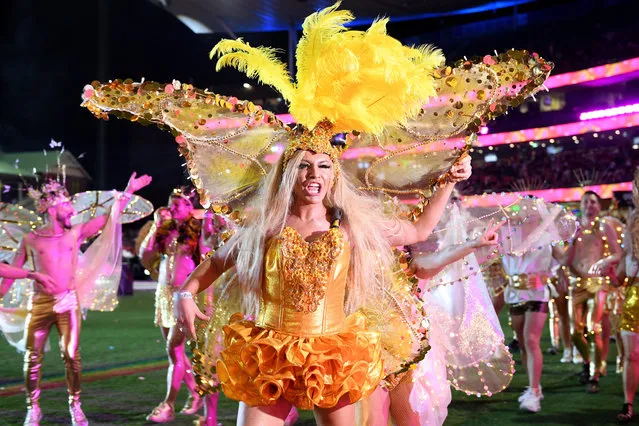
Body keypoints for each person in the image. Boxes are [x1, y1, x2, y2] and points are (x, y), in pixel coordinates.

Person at [80, 4, 552, 424]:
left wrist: (449, 181)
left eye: (324, 165)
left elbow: (420, 230)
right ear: (288, 174)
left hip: (334, 351)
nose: (314, 173)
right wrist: (185, 292)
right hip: (266, 349)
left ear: (333, 176)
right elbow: (218, 263)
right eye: (304, 165)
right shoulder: (266, 226)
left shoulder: (350, 224)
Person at [0, 172, 151, 426]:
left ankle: (75, 405)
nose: (72, 210)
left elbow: (109, 218)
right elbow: (5, 271)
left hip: (68, 301)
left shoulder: (75, 233)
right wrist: (30, 274)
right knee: (32, 357)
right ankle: (33, 408)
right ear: (52, 208)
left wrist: (128, 190)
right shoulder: (32, 240)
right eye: (67, 205)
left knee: (71, 355)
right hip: (40, 304)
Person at [138, 187, 218, 424]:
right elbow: (145, 254)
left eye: (178, 205)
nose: (172, 209)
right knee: (174, 353)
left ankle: (169, 404)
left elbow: (208, 262)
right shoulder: (166, 230)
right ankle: (194, 394)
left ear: (189, 207)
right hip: (164, 294)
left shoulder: (197, 229)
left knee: (178, 348)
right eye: (171, 204)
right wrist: (155, 225)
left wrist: (209, 300)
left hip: (185, 298)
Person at [502, 199, 572, 412]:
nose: (528, 211)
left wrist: (573, 243)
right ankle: (534, 386)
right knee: (523, 343)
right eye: (524, 208)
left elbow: (564, 258)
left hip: (538, 292)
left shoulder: (549, 235)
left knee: (532, 340)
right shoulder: (508, 234)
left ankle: (533, 392)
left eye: (533, 209)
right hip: (514, 293)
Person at [565, 191, 623, 393]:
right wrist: (573, 239)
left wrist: (604, 261)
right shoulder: (573, 227)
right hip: (577, 284)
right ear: (580, 205)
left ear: (599, 206)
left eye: (593, 202)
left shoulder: (604, 227)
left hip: (597, 283)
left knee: (593, 327)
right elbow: (565, 261)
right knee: (574, 333)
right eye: (586, 202)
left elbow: (618, 253)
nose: (590, 205)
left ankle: (595, 375)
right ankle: (589, 362)